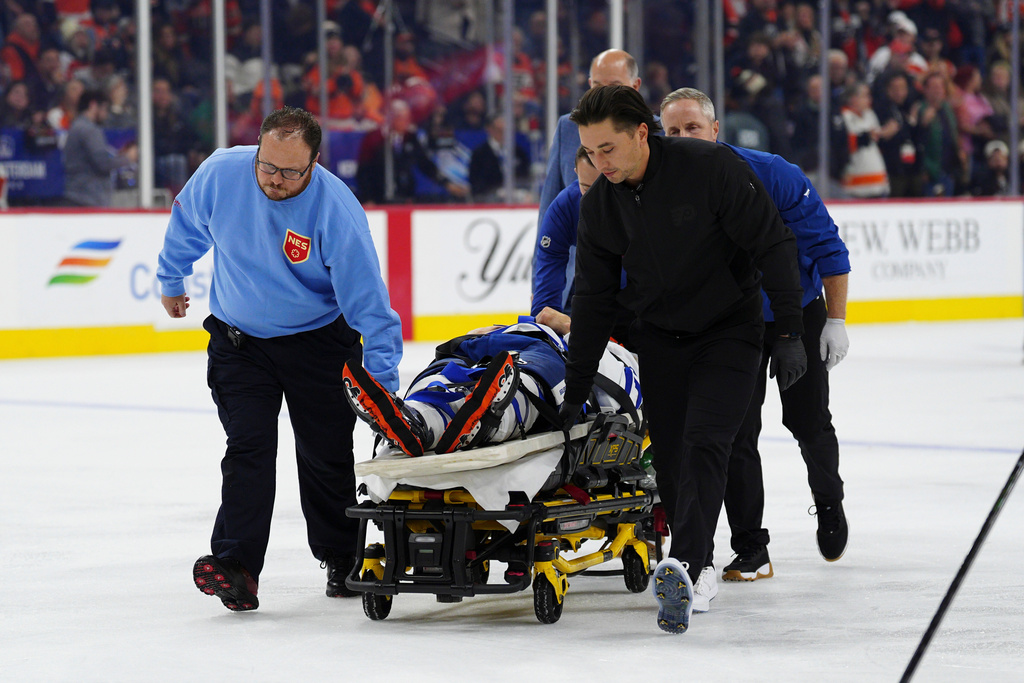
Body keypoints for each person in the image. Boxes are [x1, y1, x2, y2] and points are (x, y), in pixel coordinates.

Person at [562, 85, 807, 634]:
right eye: (590, 152)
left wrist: (790, 330)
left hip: (730, 332)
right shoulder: (602, 202)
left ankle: (689, 567)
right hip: (661, 338)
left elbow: (773, 243)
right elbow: (593, 300)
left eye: (608, 149)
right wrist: (576, 385)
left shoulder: (710, 167)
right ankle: (696, 565)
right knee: (670, 460)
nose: (599, 163)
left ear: (641, 134)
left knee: (706, 443)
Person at [156, 106, 403, 612]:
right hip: (239, 341)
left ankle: (343, 556)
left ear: (314, 164)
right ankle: (235, 567)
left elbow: (370, 306)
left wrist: (382, 383)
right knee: (248, 446)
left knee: (324, 453)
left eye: (290, 171)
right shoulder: (224, 171)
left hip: (318, 342)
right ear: (259, 148)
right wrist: (171, 277)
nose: (275, 179)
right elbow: (188, 222)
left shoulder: (336, 209)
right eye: (268, 166)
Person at [659, 87, 851, 582]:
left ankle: (829, 502)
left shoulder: (774, 173)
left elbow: (828, 247)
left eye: (692, 128)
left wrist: (835, 319)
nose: (682, 139)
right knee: (736, 435)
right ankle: (751, 547)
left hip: (797, 313)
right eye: (672, 131)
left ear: (716, 130)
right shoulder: (659, 185)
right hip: (729, 325)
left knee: (808, 422)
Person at [342, 319, 641, 458]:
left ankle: (433, 421)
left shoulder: (623, 358)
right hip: (502, 346)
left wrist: (568, 325)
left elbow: (616, 395)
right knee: (446, 370)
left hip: (544, 352)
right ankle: (413, 419)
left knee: (525, 380)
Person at [537, 49, 645, 226]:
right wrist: (542, 252)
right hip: (579, 250)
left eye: (614, 86)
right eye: (597, 86)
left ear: (635, 86)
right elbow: (550, 206)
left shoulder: (659, 131)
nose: (604, 94)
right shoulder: (568, 127)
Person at [62, 88, 138, 207]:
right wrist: (128, 158)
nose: (106, 114)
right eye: (104, 108)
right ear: (93, 105)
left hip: (78, 194)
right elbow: (103, 164)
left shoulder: (77, 126)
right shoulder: (89, 130)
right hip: (87, 197)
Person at [468, 113, 530, 202]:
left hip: (516, 194)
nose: (503, 134)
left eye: (506, 131)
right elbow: (476, 182)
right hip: (489, 196)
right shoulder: (480, 154)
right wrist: (497, 191)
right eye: (499, 130)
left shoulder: (518, 151)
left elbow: (525, 175)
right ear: (490, 129)